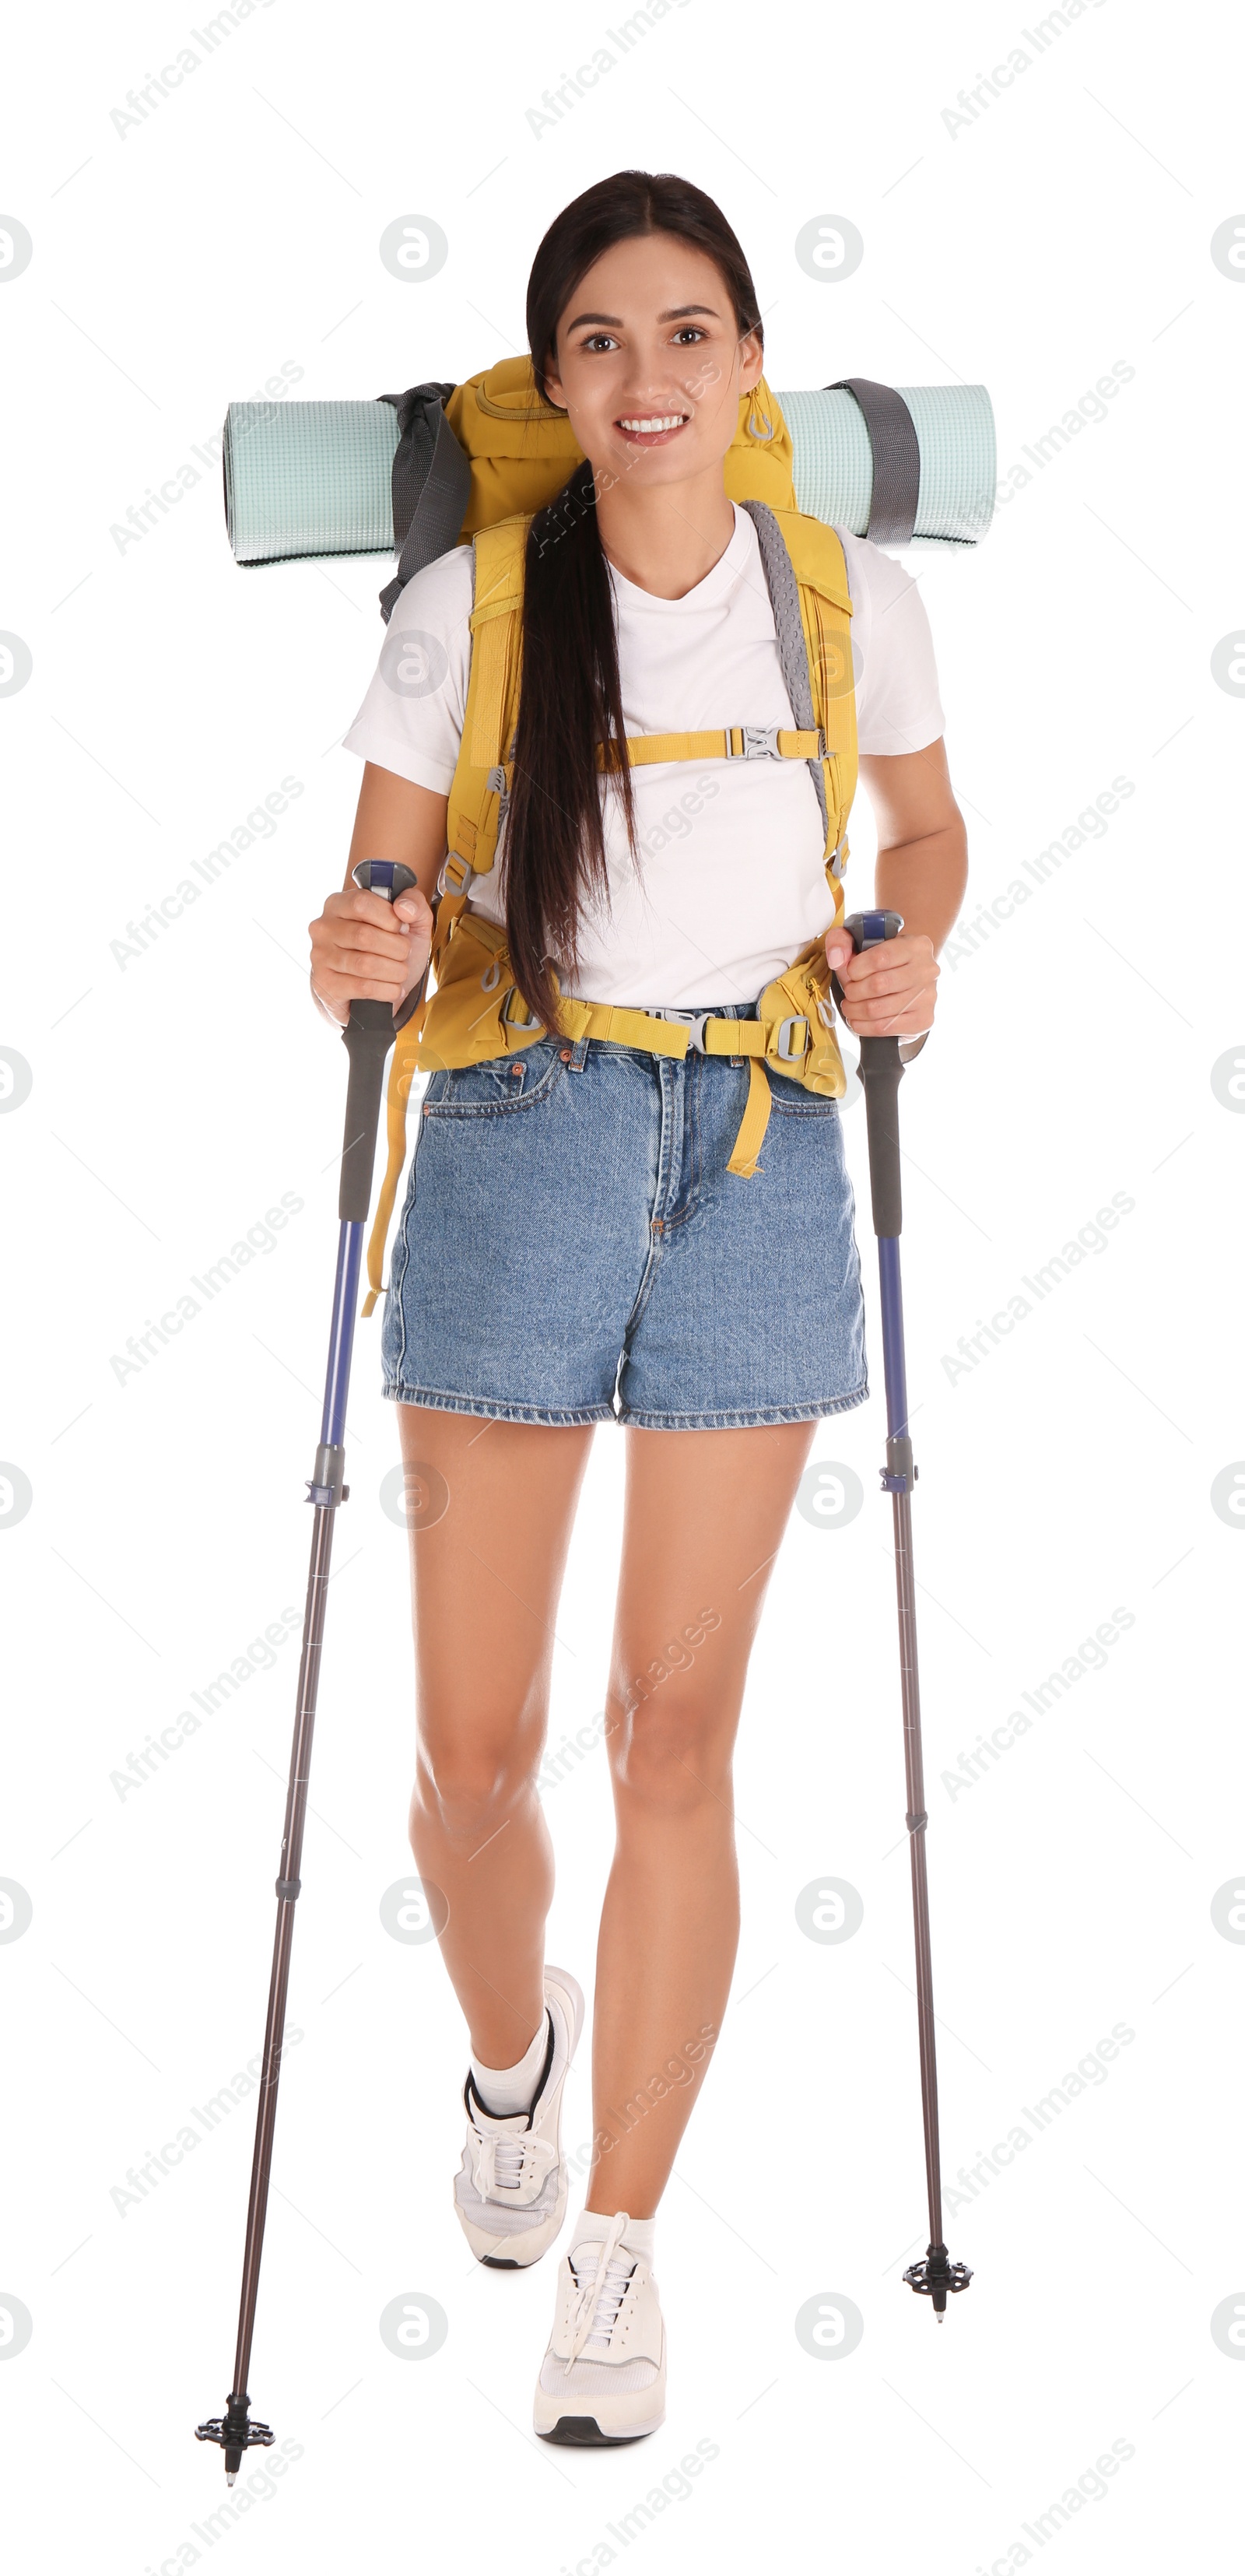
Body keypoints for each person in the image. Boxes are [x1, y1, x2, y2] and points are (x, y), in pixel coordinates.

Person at [308, 168, 967, 2444]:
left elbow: (930, 830)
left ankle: (616, 2250)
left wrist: (911, 937)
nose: (648, 378)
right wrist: (359, 948)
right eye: (599, 340)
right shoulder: (476, 602)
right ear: (555, 380)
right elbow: (379, 891)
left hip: (763, 1150)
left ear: (754, 359)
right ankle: (516, 2062)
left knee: (669, 1743)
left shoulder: (843, 591)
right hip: (523, 1143)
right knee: (469, 1765)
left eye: (689, 333)